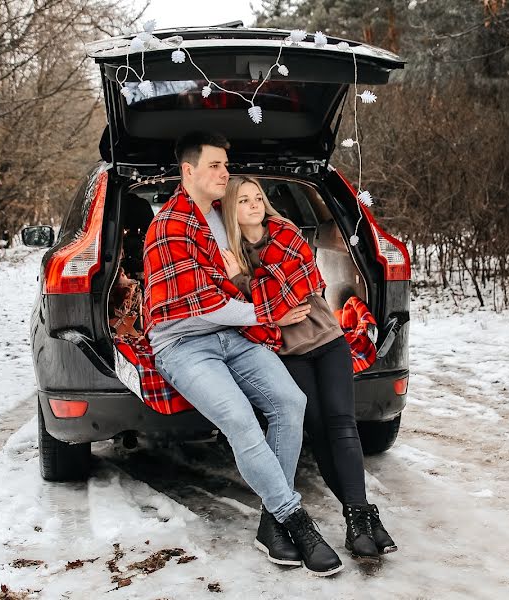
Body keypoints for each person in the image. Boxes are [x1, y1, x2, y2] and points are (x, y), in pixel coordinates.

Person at [143, 131, 343, 577]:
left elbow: (262, 249)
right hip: (183, 343)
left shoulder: (221, 214)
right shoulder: (168, 225)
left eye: (225, 165)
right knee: (239, 418)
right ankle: (297, 522)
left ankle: (271, 525)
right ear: (188, 170)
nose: (224, 173)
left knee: (290, 402)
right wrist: (270, 313)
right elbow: (207, 303)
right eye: (214, 165)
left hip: (232, 334)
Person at [220, 175, 397, 563]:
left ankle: (357, 518)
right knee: (316, 430)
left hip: (326, 339)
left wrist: (248, 285)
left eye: (257, 198)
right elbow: (242, 315)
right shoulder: (228, 253)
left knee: (342, 424)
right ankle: (365, 521)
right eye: (243, 201)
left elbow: (301, 285)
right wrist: (258, 296)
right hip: (287, 353)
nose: (254, 205)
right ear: (229, 210)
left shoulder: (286, 232)